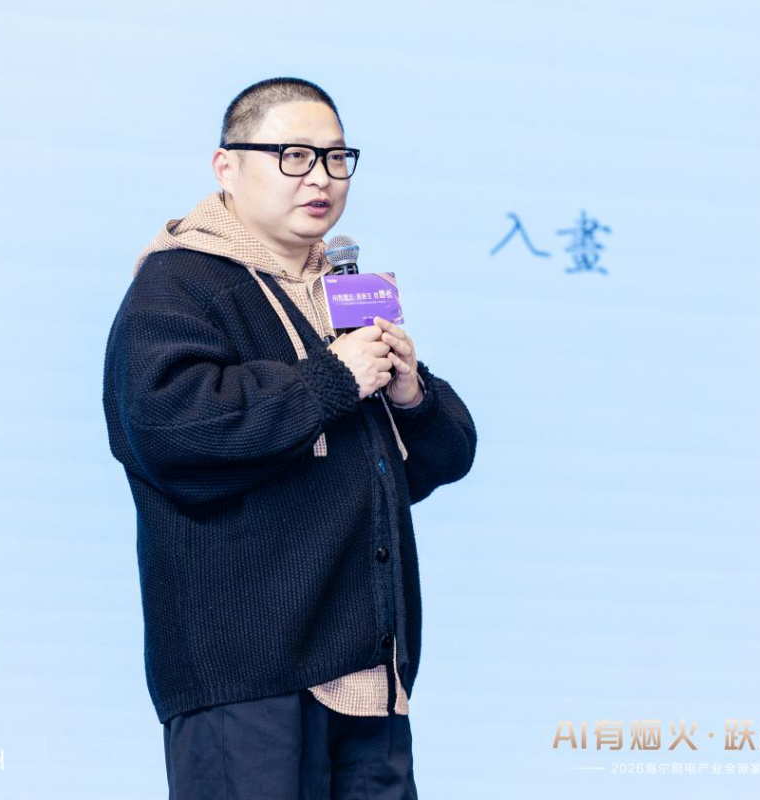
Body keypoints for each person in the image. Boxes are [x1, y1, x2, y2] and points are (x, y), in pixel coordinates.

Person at [101, 76, 478, 799]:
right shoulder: (181, 281)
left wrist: (412, 395)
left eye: (336, 158)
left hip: (368, 675)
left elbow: (436, 460)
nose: (321, 178)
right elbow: (168, 429)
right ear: (227, 167)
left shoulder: (339, 291)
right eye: (294, 156)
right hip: (250, 676)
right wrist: (333, 379)